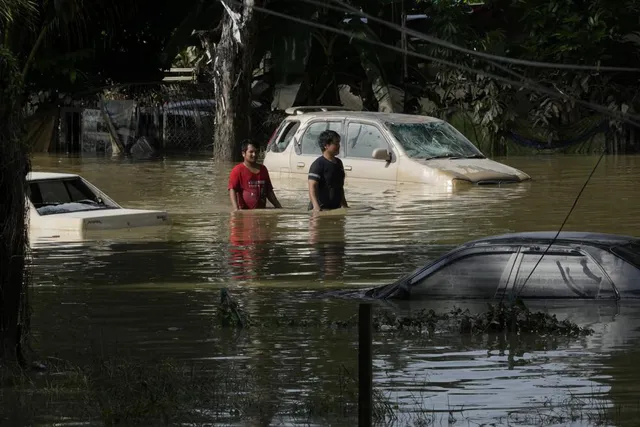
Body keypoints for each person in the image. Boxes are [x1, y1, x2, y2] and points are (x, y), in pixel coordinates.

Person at [228, 140, 282, 211]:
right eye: (251, 152)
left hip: (261, 211)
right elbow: (232, 190)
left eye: (256, 152)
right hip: (245, 212)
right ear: (243, 153)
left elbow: (269, 192)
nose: (254, 154)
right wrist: (236, 210)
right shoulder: (237, 170)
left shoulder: (263, 169)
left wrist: (279, 208)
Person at [308, 130, 349, 212]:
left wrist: (345, 206)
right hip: (322, 210)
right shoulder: (318, 164)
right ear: (326, 145)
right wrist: (316, 208)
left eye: (339, 143)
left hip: (335, 209)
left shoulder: (339, 163)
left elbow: (339, 188)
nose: (339, 146)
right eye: (336, 143)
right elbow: (312, 187)